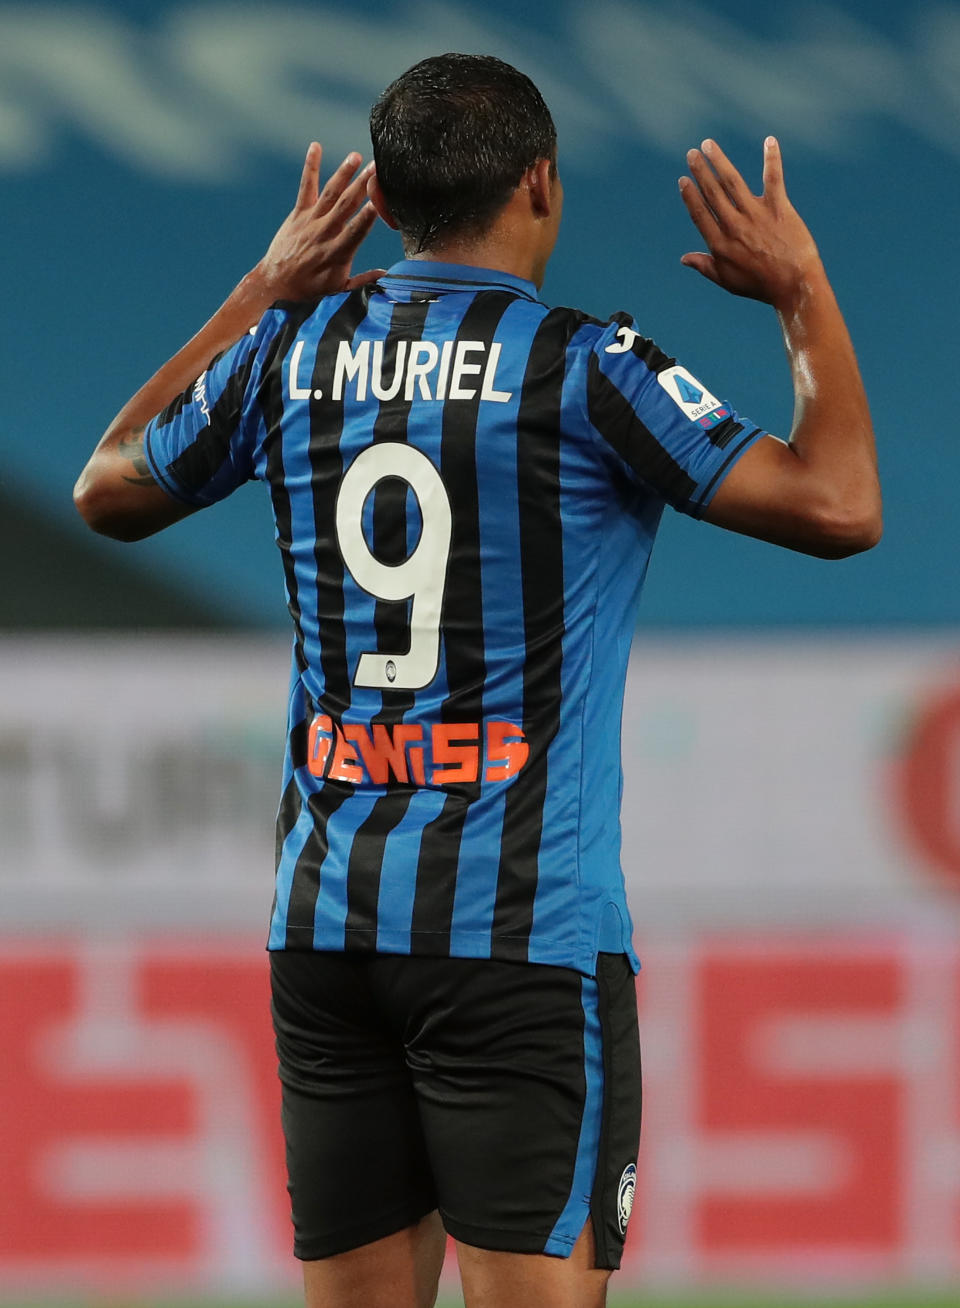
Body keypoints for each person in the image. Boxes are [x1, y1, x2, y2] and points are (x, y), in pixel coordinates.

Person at [74, 52, 881, 1308]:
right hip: (519, 939)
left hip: (329, 929)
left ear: (384, 206)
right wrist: (802, 292)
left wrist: (260, 289)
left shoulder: (291, 352)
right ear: (541, 182)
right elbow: (838, 506)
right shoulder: (587, 365)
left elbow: (107, 487)